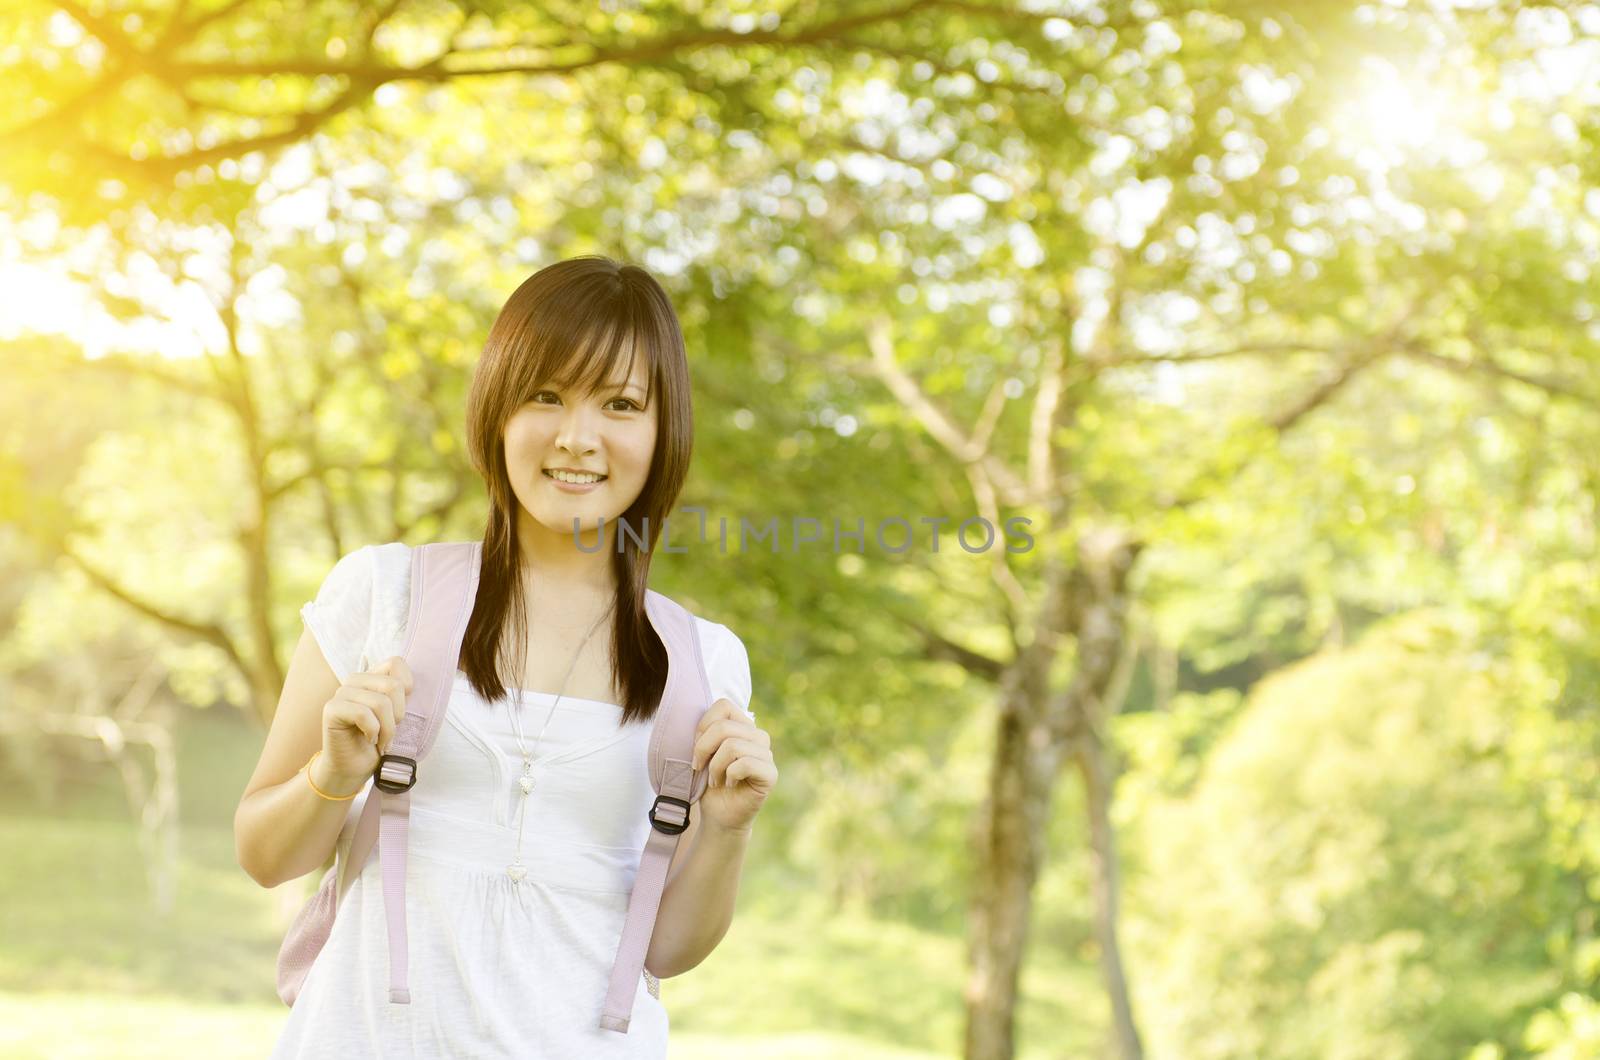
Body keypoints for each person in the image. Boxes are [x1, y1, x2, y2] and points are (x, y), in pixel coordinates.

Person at [234, 255, 779, 1058]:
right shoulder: (385, 595)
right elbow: (263, 853)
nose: (577, 438)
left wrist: (727, 828)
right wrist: (334, 772)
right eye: (546, 395)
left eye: (621, 404)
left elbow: (669, 950)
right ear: (498, 408)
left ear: (663, 433)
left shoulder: (704, 665)